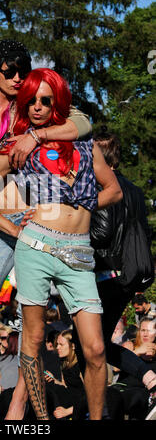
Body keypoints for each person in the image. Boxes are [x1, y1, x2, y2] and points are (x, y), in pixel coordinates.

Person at [0, 67, 123, 419]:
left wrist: (80, 204)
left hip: (79, 252)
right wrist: (12, 228)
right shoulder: (17, 147)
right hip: (35, 245)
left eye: (45, 100)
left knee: (96, 348)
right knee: (34, 342)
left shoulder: (83, 144)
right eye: (30, 101)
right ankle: (40, 421)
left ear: (56, 103)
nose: (37, 107)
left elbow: (113, 190)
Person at [79, 127, 156, 420]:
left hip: (103, 276)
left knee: (89, 347)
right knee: (97, 346)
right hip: (127, 279)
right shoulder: (135, 190)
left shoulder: (100, 186)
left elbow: (100, 233)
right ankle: (147, 380)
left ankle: (97, 411)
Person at [107, 318, 156, 420]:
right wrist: (137, 351)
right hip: (123, 388)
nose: (145, 334)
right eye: (143, 330)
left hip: (145, 395)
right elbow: (115, 368)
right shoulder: (130, 346)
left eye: (150, 330)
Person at [44, 329, 87, 420]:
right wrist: (54, 380)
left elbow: (91, 396)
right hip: (70, 402)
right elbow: (66, 386)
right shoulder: (64, 362)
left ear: (73, 346)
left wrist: (67, 411)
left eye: (61, 345)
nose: (57, 347)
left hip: (81, 407)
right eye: (57, 344)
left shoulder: (81, 365)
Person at [0, 331, 19, 401]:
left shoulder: (0, 360)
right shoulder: (27, 361)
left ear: (8, 343)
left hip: (3, 398)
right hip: (20, 398)